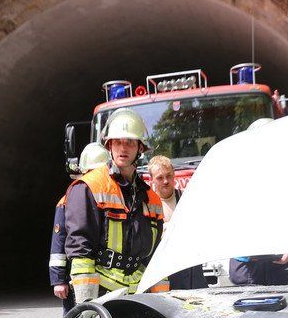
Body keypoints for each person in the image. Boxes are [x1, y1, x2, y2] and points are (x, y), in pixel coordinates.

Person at [65, 108, 169, 302]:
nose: (123, 148)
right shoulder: (89, 187)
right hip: (102, 296)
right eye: (117, 142)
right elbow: (81, 250)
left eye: (130, 142)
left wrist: (161, 303)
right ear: (109, 145)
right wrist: (88, 305)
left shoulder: (151, 198)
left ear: (140, 148)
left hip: (140, 296)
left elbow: (156, 257)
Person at [51, 143, 111, 312]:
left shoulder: (112, 198)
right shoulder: (67, 201)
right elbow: (59, 242)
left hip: (108, 276)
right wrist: (59, 280)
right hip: (77, 277)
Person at [147, 155, 207, 290]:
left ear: (174, 174)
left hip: (190, 271)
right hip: (163, 273)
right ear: (152, 180)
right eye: (160, 178)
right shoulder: (148, 205)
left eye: (168, 176)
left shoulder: (188, 199)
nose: (166, 181)